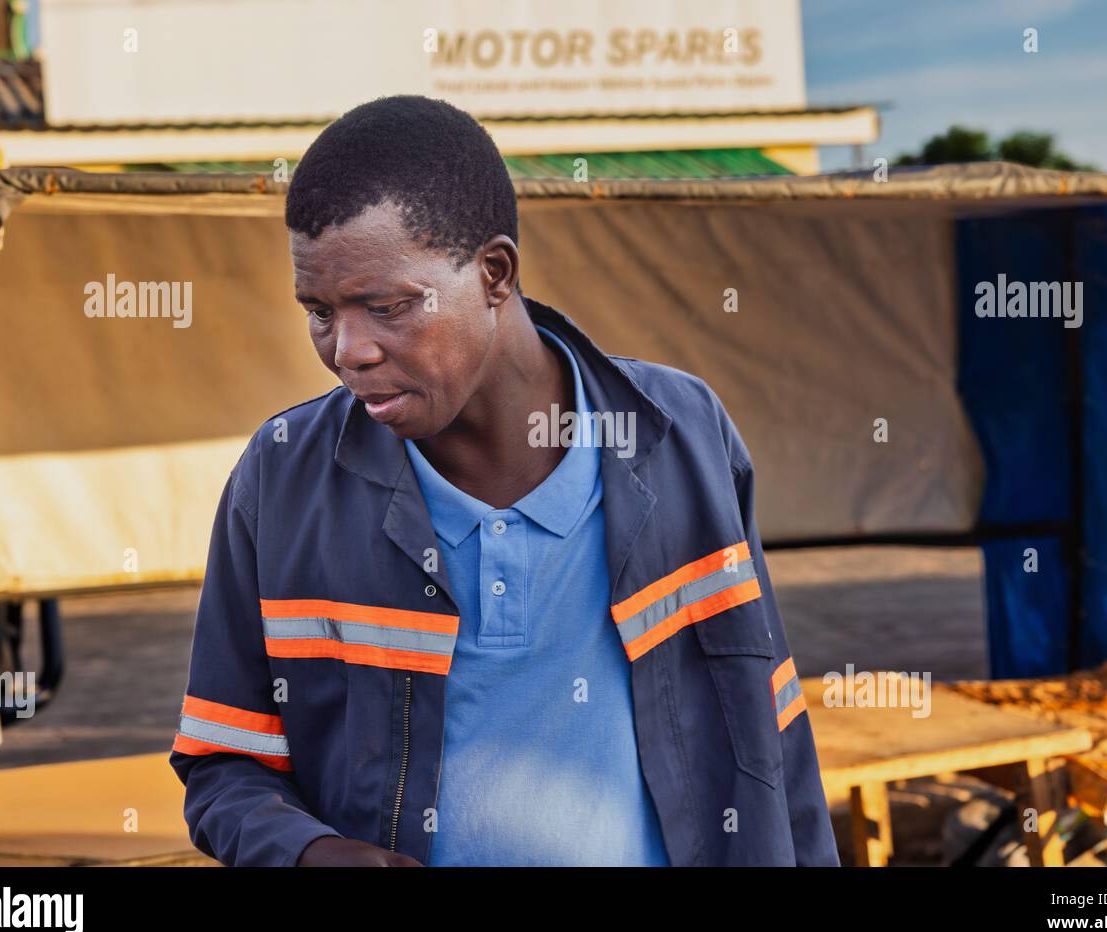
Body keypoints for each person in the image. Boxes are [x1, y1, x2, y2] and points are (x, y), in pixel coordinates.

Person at [169, 95, 839, 867]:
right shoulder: (280, 477)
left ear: (494, 273)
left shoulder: (682, 433)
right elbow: (222, 765)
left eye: (385, 307)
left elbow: (773, 733)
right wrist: (310, 851)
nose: (347, 349)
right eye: (318, 311)